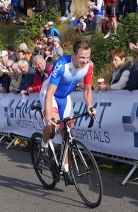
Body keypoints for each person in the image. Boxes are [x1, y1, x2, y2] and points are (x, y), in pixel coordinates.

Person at [39, 40, 96, 185]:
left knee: (68, 131)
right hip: (50, 94)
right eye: (81, 57)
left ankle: (65, 168)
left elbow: (87, 90)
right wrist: (49, 116)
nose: (85, 61)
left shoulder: (88, 66)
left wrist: (89, 106)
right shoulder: (61, 64)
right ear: (73, 55)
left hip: (64, 97)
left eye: (87, 57)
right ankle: (44, 148)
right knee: (55, 125)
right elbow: (50, 92)